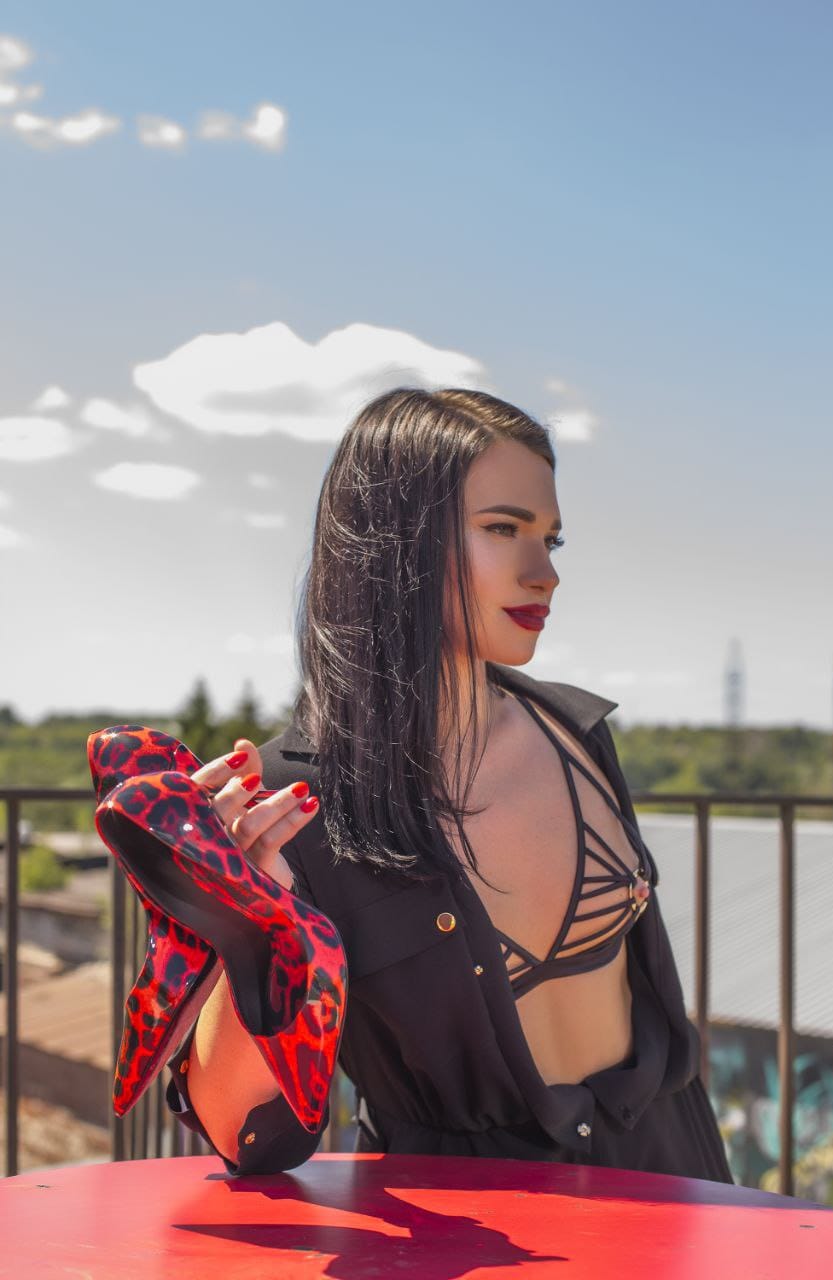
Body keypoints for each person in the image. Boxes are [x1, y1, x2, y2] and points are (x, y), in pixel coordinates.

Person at [165, 387, 733, 1183]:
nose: (543, 573)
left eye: (549, 539)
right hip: (468, 1219)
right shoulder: (293, 802)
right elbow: (242, 1133)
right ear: (393, 541)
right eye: (502, 529)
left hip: (672, 1173)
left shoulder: (575, 732)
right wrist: (247, 924)